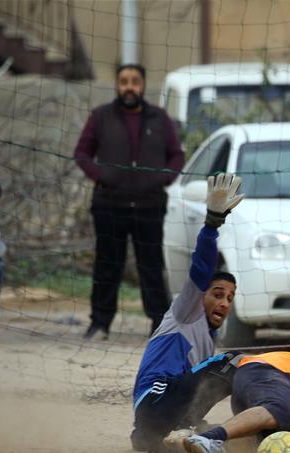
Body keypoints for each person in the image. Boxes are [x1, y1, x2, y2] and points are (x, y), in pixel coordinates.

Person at [130, 174, 244, 453]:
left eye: (230, 298)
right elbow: (202, 268)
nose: (225, 303)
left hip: (164, 415)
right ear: (199, 294)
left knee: (227, 370)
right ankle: (252, 427)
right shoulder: (185, 313)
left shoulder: (206, 337)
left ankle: (163, 436)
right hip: (154, 403)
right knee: (235, 363)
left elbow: (196, 387)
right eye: (217, 294)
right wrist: (212, 222)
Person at [74, 63, 185, 341]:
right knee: (107, 265)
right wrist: (102, 176)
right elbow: (82, 153)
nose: (129, 87)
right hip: (109, 204)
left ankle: (159, 323)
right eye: (124, 81)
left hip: (150, 205)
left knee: (151, 265)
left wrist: (163, 178)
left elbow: (177, 156)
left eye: (135, 81)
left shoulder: (160, 119)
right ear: (117, 85)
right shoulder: (101, 117)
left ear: (144, 85)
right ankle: (100, 323)